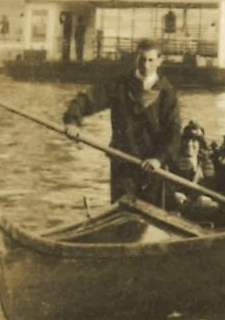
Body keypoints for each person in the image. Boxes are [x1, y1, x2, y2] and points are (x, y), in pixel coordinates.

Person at [63, 39, 181, 205]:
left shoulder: (167, 93)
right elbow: (86, 100)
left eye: (150, 60)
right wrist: (72, 122)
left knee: (151, 218)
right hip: (123, 165)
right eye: (141, 59)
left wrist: (159, 159)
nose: (145, 65)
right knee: (123, 213)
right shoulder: (119, 85)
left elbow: (173, 133)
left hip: (153, 168)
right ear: (135, 59)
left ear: (160, 61)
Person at [168, 121, 219, 220]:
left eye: (194, 141)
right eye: (186, 140)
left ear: (200, 145)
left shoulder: (206, 164)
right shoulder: (173, 162)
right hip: (178, 207)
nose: (189, 144)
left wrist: (205, 197)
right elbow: (168, 186)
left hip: (200, 206)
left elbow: (211, 186)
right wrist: (174, 194)